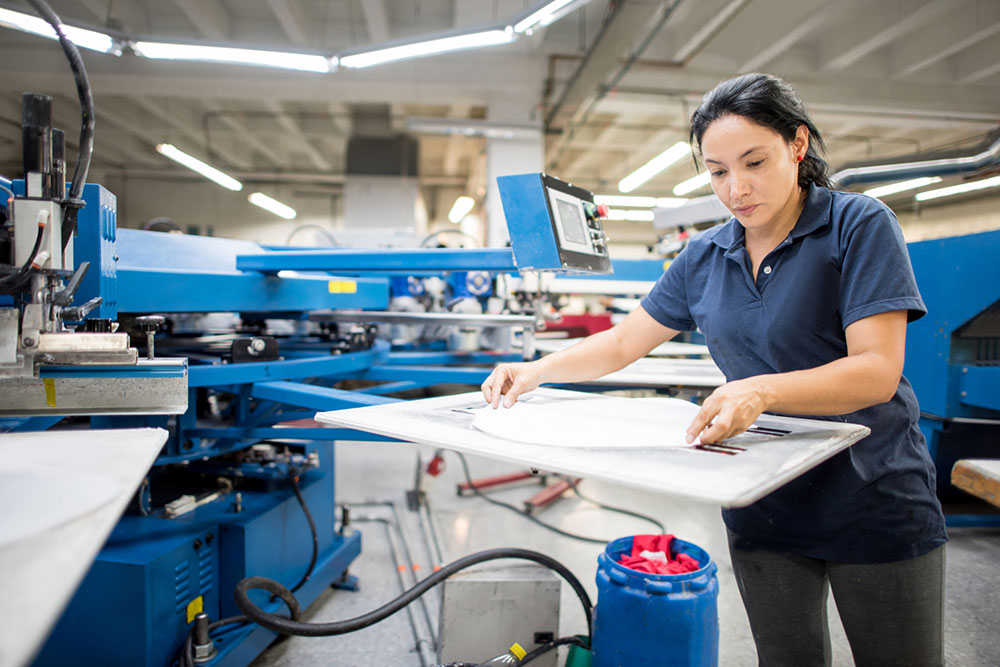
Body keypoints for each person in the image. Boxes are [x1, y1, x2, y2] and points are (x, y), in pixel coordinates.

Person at [480, 73, 947, 667]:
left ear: (797, 146)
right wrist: (536, 370)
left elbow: (876, 372)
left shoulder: (857, 226)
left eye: (754, 162)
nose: (737, 188)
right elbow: (624, 342)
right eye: (719, 171)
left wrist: (756, 390)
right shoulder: (704, 255)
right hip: (762, 501)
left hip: (874, 496)